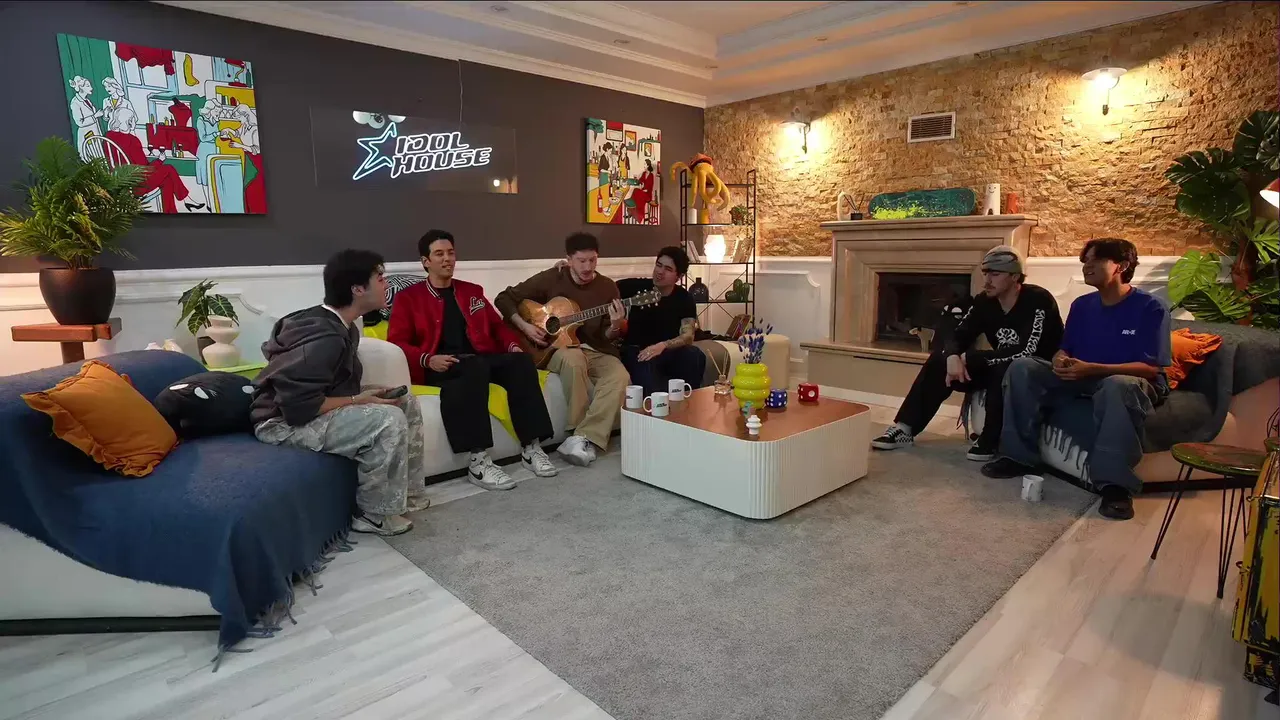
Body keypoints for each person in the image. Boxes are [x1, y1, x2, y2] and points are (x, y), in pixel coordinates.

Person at [982, 238, 1171, 521]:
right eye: (1085, 261)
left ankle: (1115, 487)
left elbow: (1150, 368)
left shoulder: (1151, 308)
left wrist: (1093, 369)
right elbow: (1065, 349)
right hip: (1083, 375)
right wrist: (1060, 359)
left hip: (1127, 379)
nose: (1086, 266)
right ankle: (1018, 457)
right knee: (1023, 367)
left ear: (1121, 266)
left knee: (1118, 385)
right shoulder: (1082, 305)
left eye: (1095, 260)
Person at [252, 249, 430, 537]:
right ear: (357, 289)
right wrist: (357, 400)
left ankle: (406, 497)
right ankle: (373, 514)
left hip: (306, 410)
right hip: (281, 425)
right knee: (387, 419)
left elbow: (328, 386)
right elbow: (298, 406)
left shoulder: (343, 326)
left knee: (404, 402)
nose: (387, 284)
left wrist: (368, 393)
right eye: (380, 278)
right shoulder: (324, 336)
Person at [387, 229, 558, 490]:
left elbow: (497, 326)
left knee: (521, 362)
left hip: (479, 360)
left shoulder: (471, 291)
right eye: (439, 254)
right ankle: (478, 461)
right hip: (441, 364)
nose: (447, 259)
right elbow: (397, 342)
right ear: (426, 261)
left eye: (451, 253)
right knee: (473, 367)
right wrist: (427, 359)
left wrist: (512, 346)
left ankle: (531, 447)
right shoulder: (409, 298)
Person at [871, 246, 1063, 460]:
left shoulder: (1037, 300)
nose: (987, 280)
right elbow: (959, 333)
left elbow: (1029, 350)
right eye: (985, 273)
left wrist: (971, 358)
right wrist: (952, 356)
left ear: (1015, 276)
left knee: (1002, 368)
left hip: (1034, 372)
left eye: (995, 274)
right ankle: (904, 428)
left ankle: (990, 439)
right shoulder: (985, 301)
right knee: (939, 360)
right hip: (999, 364)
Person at [495, 232, 629, 467]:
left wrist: (616, 325)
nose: (588, 267)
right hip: (553, 347)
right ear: (568, 260)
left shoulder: (607, 287)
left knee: (620, 375)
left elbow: (607, 335)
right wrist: (526, 327)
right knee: (574, 360)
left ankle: (583, 437)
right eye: (581, 261)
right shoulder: (553, 277)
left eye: (593, 260)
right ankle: (577, 432)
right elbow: (504, 298)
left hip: (594, 348)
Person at [617, 246, 705, 397]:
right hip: (637, 350)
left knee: (695, 355)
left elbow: (688, 336)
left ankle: (688, 402)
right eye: (659, 265)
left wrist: (663, 345)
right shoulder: (636, 287)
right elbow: (604, 287)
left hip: (667, 350)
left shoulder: (684, 298)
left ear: (679, 276)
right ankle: (656, 408)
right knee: (648, 370)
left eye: (668, 269)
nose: (660, 271)